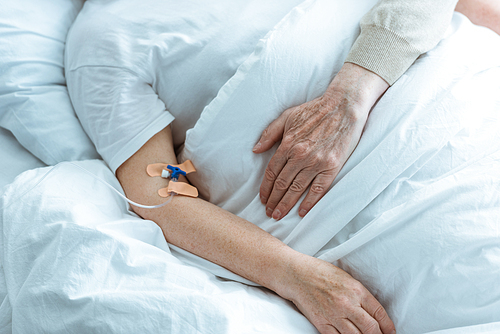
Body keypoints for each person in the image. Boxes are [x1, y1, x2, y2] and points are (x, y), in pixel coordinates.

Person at [66, 0, 493, 332]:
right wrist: (293, 275)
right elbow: (158, 189)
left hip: (461, 94)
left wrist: (350, 92)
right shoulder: (104, 42)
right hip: (365, 204)